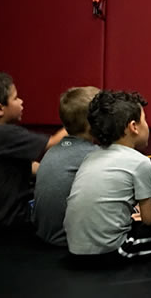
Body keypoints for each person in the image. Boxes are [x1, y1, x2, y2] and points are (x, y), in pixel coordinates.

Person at [64, 91, 151, 263]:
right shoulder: (140, 162)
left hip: (74, 249)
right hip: (110, 251)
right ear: (133, 127)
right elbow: (149, 219)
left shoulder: (90, 156)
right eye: (144, 119)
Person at [0, 71, 66, 234]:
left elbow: (26, 167)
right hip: (15, 219)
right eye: (15, 98)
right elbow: (52, 143)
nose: (21, 101)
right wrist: (82, 117)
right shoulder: (4, 134)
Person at [34, 86, 100, 246]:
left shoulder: (54, 151)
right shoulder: (94, 156)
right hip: (68, 241)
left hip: (43, 235)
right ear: (93, 124)